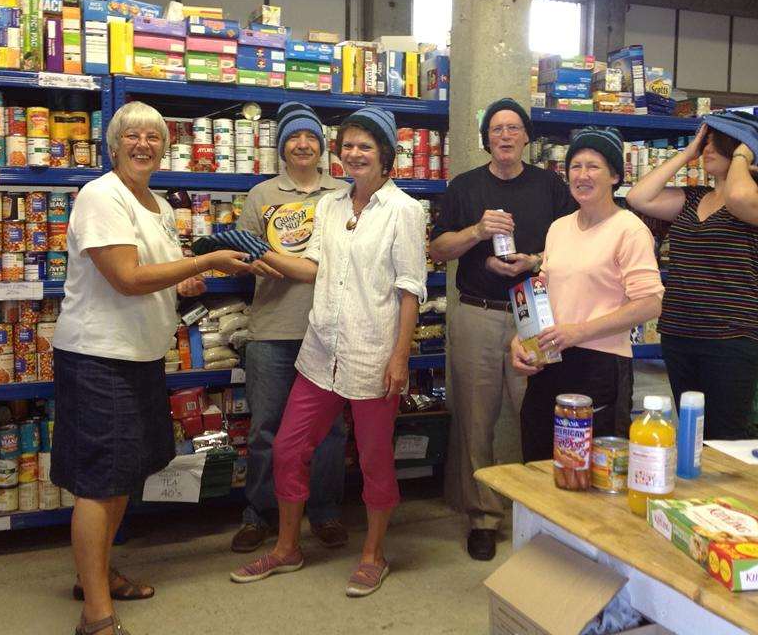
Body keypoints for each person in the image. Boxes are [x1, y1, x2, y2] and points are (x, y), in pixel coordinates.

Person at [51, 101, 250, 635]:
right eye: (132, 135)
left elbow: (154, 272)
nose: (143, 144)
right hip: (99, 355)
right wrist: (206, 261)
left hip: (138, 355)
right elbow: (125, 276)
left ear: (165, 146)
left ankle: (96, 574)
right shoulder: (102, 196)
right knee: (99, 482)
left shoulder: (156, 203)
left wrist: (181, 281)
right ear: (113, 145)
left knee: (119, 477)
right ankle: (96, 613)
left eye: (154, 137)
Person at [231, 106, 426, 597]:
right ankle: (286, 548)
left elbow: (410, 290)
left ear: (385, 156)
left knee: (375, 459)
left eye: (366, 146)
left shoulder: (404, 211)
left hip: (373, 353)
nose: (355, 154)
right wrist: (253, 250)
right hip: (320, 352)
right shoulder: (333, 206)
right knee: (289, 447)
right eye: (349, 146)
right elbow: (311, 266)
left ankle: (373, 554)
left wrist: (400, 356)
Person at [429, 97, 575, 561]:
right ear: (486, 138)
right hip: (477, 312)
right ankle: (484, 518)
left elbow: (575, 243)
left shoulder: (551, 186)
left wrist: (532, 261)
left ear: (527, 136)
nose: (505, 136)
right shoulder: (465, 187)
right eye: (496, 129)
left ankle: (546, 512)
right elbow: (438, 250)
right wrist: (476, 231)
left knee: (538, 413)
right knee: (477, 419)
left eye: (513, 128)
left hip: (535, 309)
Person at [231, 102, 348, 554]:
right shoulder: (263, 194)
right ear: (282, 148)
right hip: (272, 329)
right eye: (294, 138)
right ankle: (259, 514)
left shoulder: (341, 192)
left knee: (329, 429)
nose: (302, 145)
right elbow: (243, 256)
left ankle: (325, 512)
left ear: (322, 146)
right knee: (266, 427)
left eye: (311, 138)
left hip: (327, 328)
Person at [510, 127, 664, 460]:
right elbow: (544, 291)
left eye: (593, 166)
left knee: (593, 471)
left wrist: (578, 332)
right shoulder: (559, 227)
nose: (582, 175)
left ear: (614, 176)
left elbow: (650, 304)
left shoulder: (629, 229)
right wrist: (521, 340)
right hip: (550, 360)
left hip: (601, 366)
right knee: (539, 461)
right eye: (575, 166)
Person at [626, 111, 758, 440]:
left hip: (731, 339)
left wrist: (743, 152)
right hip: (680, 334)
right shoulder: (692, 197)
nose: (706, 148)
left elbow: (738, 196)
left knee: (724, 437)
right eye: (705, 140)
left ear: (741, 149)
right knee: (692, 435)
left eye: (715, 141)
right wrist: (687, 153)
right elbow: (638, 197)